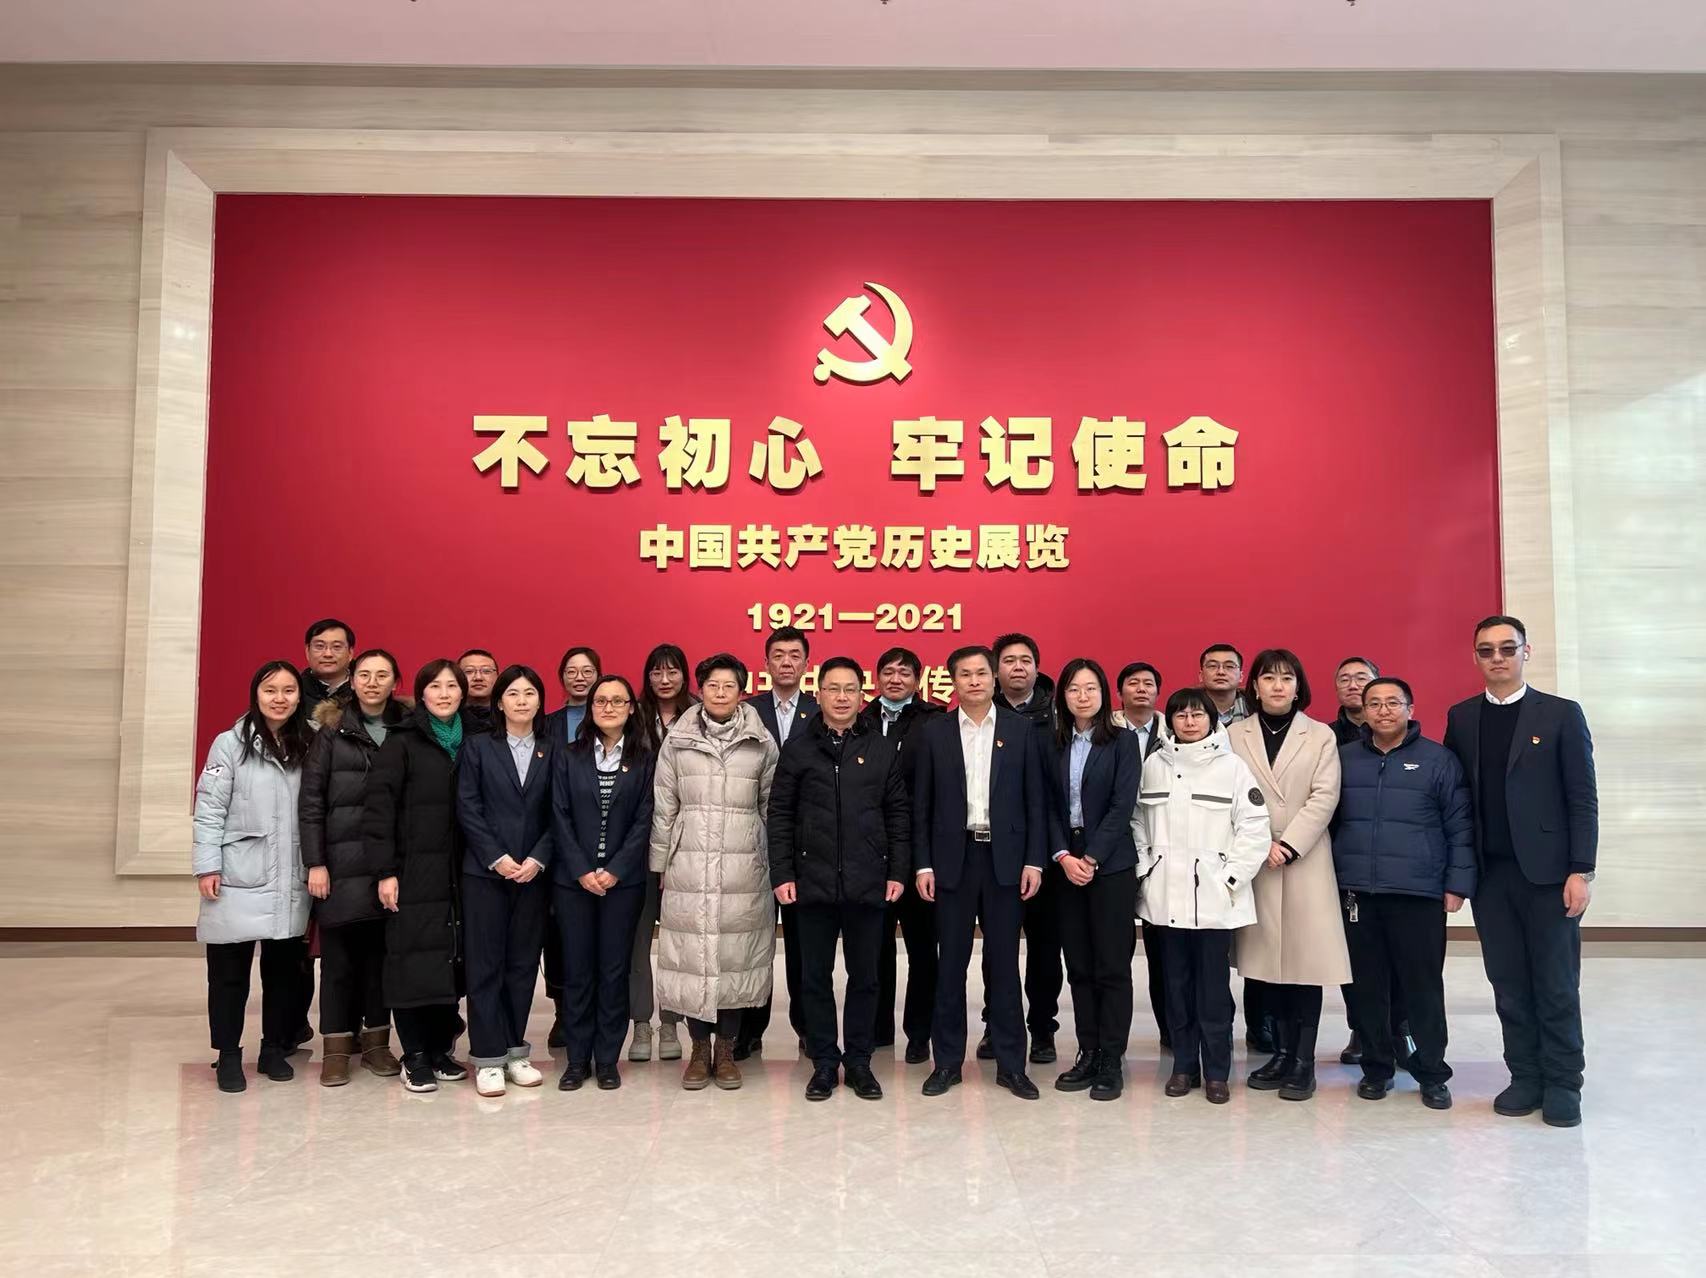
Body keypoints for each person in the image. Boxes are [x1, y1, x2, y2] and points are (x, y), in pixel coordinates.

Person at [1444, 615, 1598, 1128]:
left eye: (1507, 648)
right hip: (1492, 878)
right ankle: (1525, 1076)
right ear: (1476, 657)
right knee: (1508, 983)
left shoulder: (1561, 714)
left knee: (1556, 984)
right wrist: (1457, 874)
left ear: (1525, 653)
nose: (1498, 658)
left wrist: (1581, 869)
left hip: (1550, 876)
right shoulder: (1462, 718)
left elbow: (1582, 798)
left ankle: (1564, 1082)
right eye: (1487, 650)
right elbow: (1457, 801)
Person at [769, 657, 911, 1102]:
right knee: (814, 977)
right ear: (820, 693)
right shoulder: (798, 748)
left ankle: (860, 1062)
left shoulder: (882, 747)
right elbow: (780, 815)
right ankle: (825, 1063)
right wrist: (782, 872)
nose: (842, 697)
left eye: (851, 689)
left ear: (862, 694)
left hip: (868, 882)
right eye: (834, 689)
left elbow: (898, 815)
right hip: (810, 882)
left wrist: (897, 871)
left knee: (866, 977)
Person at [913, 645, 1050, 1101]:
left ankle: (1012, 1066)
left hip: (1005, 862)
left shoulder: (1020, 730)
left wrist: (1034, 860)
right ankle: (946, 1063)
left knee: (1004, 966)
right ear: (951, 681)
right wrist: (923, 863)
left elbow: (1035, 801)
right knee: (950, 966)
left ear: (994, 679)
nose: (974, 681)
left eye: (981, 673)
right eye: (965, 674)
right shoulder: (935, 732)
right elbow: (922, 804)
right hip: (952, 861)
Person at [1335, 676, 1474, 1110]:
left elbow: (1459, 824)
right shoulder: (1343, 759)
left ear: (1410, 709)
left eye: (1393, 703)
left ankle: (1432, 1072)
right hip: (1358, 891)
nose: (1383, 711)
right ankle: (1377, 1068)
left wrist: (1457, 884)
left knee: (1422, 987)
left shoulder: (1438, 760)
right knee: (1367, 987)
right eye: (1374, 703)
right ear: (1364, 711)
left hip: (1418, 892)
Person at [650, 653, 781, 1091]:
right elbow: (665, 805)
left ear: (741, 691)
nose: (720, 693)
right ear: (700, 690)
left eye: (729, 686)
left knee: (734, 958)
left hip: (745, 866)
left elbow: (771, 807)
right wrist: (660, 863)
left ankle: (726, 1049)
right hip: (688, 863)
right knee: (693, 959)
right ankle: (698, 1049)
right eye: (712, 685)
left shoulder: (761, 742)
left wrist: (772, 862)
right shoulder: (678, 740)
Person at [1134, 688, 1268, 1105]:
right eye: (1181, 715)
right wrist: (1145, 870)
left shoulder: (1232, 767)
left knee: (1212, 991)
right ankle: (1183, 1067)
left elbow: (1254, 828)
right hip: (1163, 898)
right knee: (1174, 987)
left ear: (1212, 720)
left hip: (1214, 901)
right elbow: (1136, 821)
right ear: (1170, 721)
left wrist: (1229, 879)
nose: (1189, 722)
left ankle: (1216, 1072)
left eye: (1197, 714)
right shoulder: (1154, 765)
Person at [1226, 650, 1350, 1103]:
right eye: (1268, 678)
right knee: (1266, 967)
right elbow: (1227, 793)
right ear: (1254, 687)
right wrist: (1261, 844)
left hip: (1305, 859)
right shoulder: (1233, 735)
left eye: (1286, 678)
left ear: (1299, 687)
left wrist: (1290, 844)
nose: (1277, 686)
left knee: (1304, 965)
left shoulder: (1319, 735)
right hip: (1255, 859)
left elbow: (1325, 795)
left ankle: (1303, 1061)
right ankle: (1279, 1053)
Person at [194, 661, 314, 1093]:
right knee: (229, 973)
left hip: (291, 874)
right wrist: (207, 864)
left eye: (288, 690)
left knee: (284, 972)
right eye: (270, 690)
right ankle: (228, 1053)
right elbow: (209, 808)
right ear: (256, 694)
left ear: (299, 696)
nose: (279, 698)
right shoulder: (229, 744)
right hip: (238, 872)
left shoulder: (310, 742)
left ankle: (272, 1049)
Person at [364, 659, 476, 1094]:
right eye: (435, 686)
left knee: (451, 961)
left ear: (463, 693)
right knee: (411, 962)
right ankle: (414, 1054)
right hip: (414, 872)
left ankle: (440, 1049)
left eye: (452, 686)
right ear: (421, 693)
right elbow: (379, 812)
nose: (444, 694)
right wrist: (385, 872)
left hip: (463, 872)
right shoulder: (402, 742)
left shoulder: (476, 740)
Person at [300, 648, 407, 1086]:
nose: (373, 682)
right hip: (341, 865)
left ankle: (378, 1044)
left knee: (381, 961)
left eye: (382, 675)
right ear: (353, 679)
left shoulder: (407, 728)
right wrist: (316, 862)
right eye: (365, 674)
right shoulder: (332, 731)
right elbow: (311, 801)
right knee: (339, 962)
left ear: (395, 682)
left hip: (391, 866)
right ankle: (337, 1049)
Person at [552, 675, 655, 1091]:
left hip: (623, 883)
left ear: (631, 708)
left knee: (614, 971)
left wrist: (616, 869)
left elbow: (645, 818)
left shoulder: (645, 759)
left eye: (617, 701)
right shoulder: (568, 755)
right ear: (590, 708)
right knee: (578, 971)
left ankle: (607, 1058)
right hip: (573, 882)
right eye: (600, 701)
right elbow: (558, 814)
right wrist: (581, 869)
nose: (608, 707)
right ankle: (577, 1059)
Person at [457, 664, 554, 1098]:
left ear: (539, 701)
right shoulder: (478, 747)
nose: (521, 701)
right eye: (513, 693)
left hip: (533, 875)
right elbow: (467, 806)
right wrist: (497, 858)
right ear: (499, 702)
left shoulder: (553, 750)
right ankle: (488, 1057)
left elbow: (560, 812)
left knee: (522, 965)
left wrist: (538, 858)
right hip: (485, 874)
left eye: (529, 693)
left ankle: (516, 1052)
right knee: (485, 966)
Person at [1049, 659, 1141, 1101]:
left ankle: (1111, 1058)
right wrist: (1064, 856)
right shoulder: (1051, 742)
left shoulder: (1123, 742)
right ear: (1062, 696)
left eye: (1090, 688)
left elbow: (1123, 806)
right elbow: (1042, 805)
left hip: (1111, 865)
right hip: (1065, 864)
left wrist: (1092, 857)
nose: (1082, 696)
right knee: (1079, 965)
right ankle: (1087, 1051)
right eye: (1073, 689)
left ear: (1105, 694)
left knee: (1112, 965)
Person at [980, 632, 1065, 1065]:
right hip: (994, 853)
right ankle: (995, 1025)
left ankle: (1043, 1028)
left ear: (1037, 667)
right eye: (1009, 660)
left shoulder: (1058, 715)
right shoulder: (980, 714)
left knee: (1045, 947)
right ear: (996, 670)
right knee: (997, 948)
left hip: (1047, 850)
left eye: (1026, 660)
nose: (1018, 667)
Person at [862, 645, 943, 1063]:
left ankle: (919, 1033)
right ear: (876, 678)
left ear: (917, 679)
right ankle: (878, 1030)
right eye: (888, 672)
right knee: (875, 948)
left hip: (919, 854)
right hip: (871, 853)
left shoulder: (935, 721)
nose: (895, 679)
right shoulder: (859, 719)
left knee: (923, 949)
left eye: (904, 673)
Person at [1326, 655, 1409, 1068]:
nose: (1353, 684)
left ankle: (1401, 1031)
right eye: (1344, 678)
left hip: (1397, 865)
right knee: (1355, 957)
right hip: (1346, 862)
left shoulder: (1408, 740)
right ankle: (1362, 1029)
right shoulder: (1325, 739)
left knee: (1401, 957)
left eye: (1362, 677)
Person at [739, 626, 817, 1060]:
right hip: (752, 841)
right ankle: (749, 1029)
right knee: (753, 942)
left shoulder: (819, 710)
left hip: (805, 845)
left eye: (794, 655)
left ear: (806, 663)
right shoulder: (746, 711)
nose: (786, 662)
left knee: (804, 944)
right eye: (778, 655)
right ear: (765, 663)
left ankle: (807, 1027)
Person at [629, 643, 693, 1063]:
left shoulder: (699, 717)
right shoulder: (632, 716)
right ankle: (640, 1022)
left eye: (672, 671)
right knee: (637, 940)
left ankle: (670, 1021)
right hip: (637, 844)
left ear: (685, 676)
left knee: (677, 941)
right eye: (656, 672)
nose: (664, 680)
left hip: (685, 847)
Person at [540, 645, 601, 1048]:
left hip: (599, 840)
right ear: (562, 677)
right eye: (572, 671)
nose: (580, 677)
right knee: (558, 933)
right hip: (553, 839)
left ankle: (597, 1010)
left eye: (588, 670)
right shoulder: (547, 724)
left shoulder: (611, 718)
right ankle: (563, 1010)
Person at [1112, 660, 1169, 1048]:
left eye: (1149, 683)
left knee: (1163, 947)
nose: (1142, 689)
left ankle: (1171, 1029)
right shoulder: (1105, 731)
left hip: (1162, 847)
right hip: (1116, 847)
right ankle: (1115, 1036)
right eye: (1133, 683)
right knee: (1118, 948)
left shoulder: (1174, 731)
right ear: (1120, 692)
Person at [300, 618, 355, 714]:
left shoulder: (363, 691)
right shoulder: (295, 691)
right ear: (307, 652)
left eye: (336, 647)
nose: (328, 654)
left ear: (350, 653)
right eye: (320, 646)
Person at [458, 649, 500, 731]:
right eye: (469, 671)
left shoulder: (511, 717)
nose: (478, 677)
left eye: (486, 671)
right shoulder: (447, 717)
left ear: (498, 677)